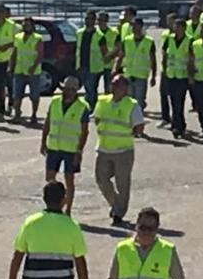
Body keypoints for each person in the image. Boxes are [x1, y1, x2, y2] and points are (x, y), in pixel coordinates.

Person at [94, 75, 145, 226]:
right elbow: (97, 118)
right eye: (113, 84)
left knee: (122, 184)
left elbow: (139, 126)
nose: (114, 87)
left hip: (123, 150)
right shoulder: (103, 101)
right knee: (101, 179)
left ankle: (119, 213)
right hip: (104, 148)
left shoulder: (132, 104)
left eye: (117, 85)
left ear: (125, 88)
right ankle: (115, 205)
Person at [41, 77, 90, 216]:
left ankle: (67, 209)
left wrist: (79, 151)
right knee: (49, 178)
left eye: (71, 90)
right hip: (54, 147)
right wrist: (43, 141)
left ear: (76, 91)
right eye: (65, 89)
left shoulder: (82, 108)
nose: (67, 92)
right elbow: (48, 122)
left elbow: (85, 132)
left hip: (71, 149)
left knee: (69, 180)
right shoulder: (55, 102)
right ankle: (53, 204)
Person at [10, 17, 45, 124]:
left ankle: (34, 115)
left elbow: (40, 54)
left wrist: (34, 66)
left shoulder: (37, 38)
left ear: (33, 26)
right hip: (19, 69)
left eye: (28, 25)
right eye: (24, 25)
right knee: (17, 94)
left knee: (34, 95)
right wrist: (10, 66)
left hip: (33, 71)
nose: (26, 27)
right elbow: (14, 52)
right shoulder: (18, 37)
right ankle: (17, 115)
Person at [117, 18, 157, 110]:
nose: (134, 28)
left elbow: (153, 60)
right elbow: (121, 57)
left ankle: (138, 119)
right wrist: (116, 70)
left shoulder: (149, 41)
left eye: (136, 25)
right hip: (128, 74)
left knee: (139, 100)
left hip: (141, 76)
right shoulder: (127, 40)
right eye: (132, 25)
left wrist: (153, 76)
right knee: (128, 99)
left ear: (141, 26)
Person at [162, 17, 190, 138]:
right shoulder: (169, 39)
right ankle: (179, 124)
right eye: (175, 27)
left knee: (179, 102)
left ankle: (177, 126)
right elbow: (164, 55)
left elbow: (191, 58)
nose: (176, 29)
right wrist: (164, 70)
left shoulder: (189, 40)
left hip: (182, 76)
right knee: (173, 101)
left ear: (184, 28)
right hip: (171, 74)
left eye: (179, 27)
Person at [77, 10, 109, 108]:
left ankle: (91, 107)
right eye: (86, 18)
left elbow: (105, 52)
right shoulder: (79, 33)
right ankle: (90, 106)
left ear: (94, 21)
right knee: (87, 88)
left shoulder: (100, 36)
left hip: (94, 67)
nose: (88, 21)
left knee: (90, 88)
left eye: (90, 19)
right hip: (82, 65)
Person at [158, 14, 176, 127]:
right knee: (163, 94)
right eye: (168, 21)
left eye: (172, 21)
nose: (170, 24)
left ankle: (175, 118)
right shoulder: (165, 34)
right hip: (165, 69)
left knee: (175, 97)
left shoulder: (179, 36)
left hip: (176, 71)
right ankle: (165, 117)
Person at [98, 12, 121, 93]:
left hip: (109, 64)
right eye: (99, 20)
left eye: (103, 20)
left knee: (109, 88)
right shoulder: (94, 32)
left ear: (107, 20)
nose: (101, 22)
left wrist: (110, 57)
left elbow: (118, 48)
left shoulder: (114, 32)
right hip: (95, 65)